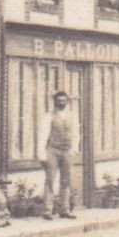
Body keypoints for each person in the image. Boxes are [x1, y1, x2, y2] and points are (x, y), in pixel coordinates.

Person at [36, 90, 79, 220]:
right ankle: (47, 211)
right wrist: (42, 155)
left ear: (67, 102)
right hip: (53, 150)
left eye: (63, 101)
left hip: (67, 151)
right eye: (59, 101)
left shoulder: (73, 115)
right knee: (50, 180)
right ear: (55, 101)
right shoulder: (49, 116)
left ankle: (64, 210)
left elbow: (76, 134)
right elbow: (43, 136)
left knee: (66, 181)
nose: (61, 103)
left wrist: (74, 149)